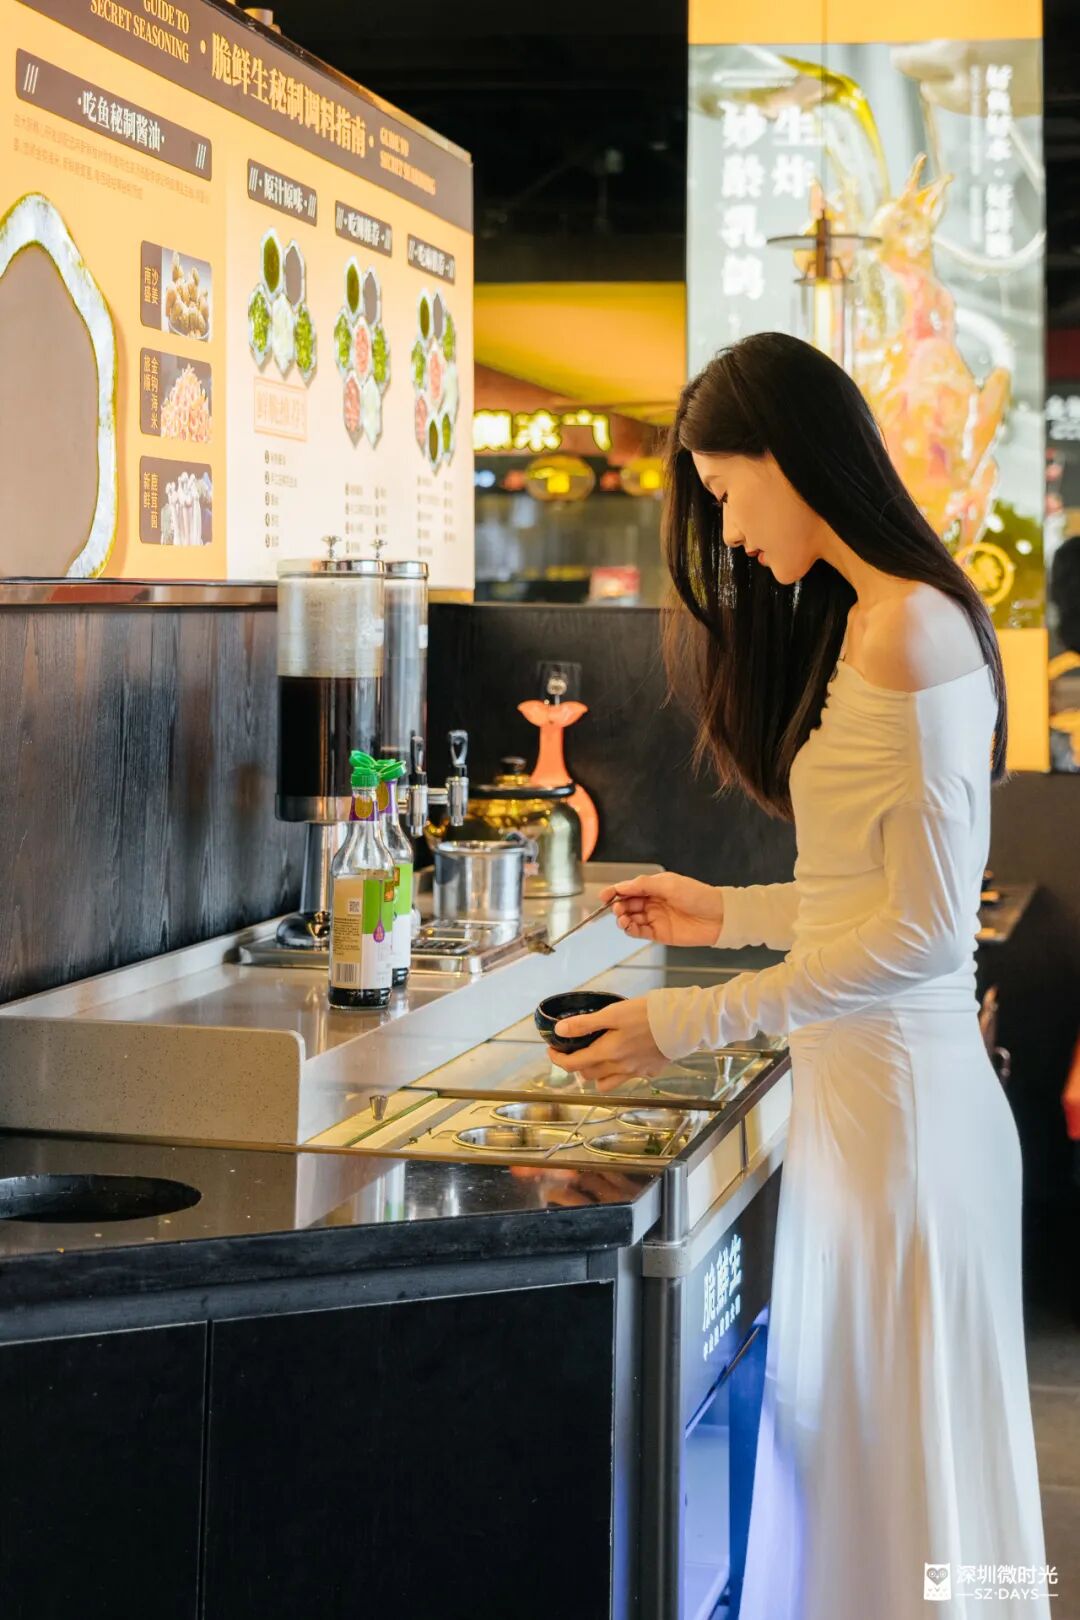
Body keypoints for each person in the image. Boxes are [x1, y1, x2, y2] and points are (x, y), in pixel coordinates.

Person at [546, 333, 1051, 1619]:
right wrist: (723, 911)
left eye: (727, 492)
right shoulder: (877, 621)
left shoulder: (913, 629)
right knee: (861, 1482)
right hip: (867, 1114)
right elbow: (862, 900)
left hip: (907, 1126)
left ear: (790, 457)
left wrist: (686, 1019)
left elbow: (926, 939)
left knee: (890, 1490)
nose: (727, 529)